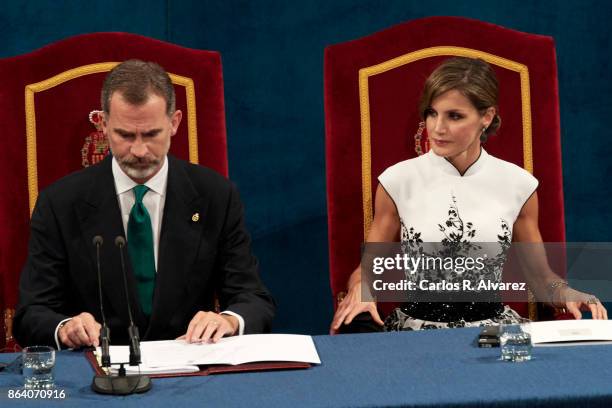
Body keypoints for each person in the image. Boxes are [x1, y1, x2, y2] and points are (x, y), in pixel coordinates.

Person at [331, 57, 607, 333]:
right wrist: (361, 288)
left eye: (454, 116)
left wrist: (567, 292)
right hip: (414, 333)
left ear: (486, 117)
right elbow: (368, 270)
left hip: (492, 332)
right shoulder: (397, 180)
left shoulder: (518, 184)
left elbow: (540, 277)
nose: (437, 128)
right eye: (431, 113)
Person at [14, 59, 275, 348]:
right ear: (102, 124)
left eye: (151, 134)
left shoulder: (216, 195)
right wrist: (65, 328)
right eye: (125, 135)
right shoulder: (60, 204)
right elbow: (31, 314)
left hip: (191, 369)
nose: (138, 151)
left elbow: (253, 298)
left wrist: (227, 320)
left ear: (174, 123)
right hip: (97, 374)